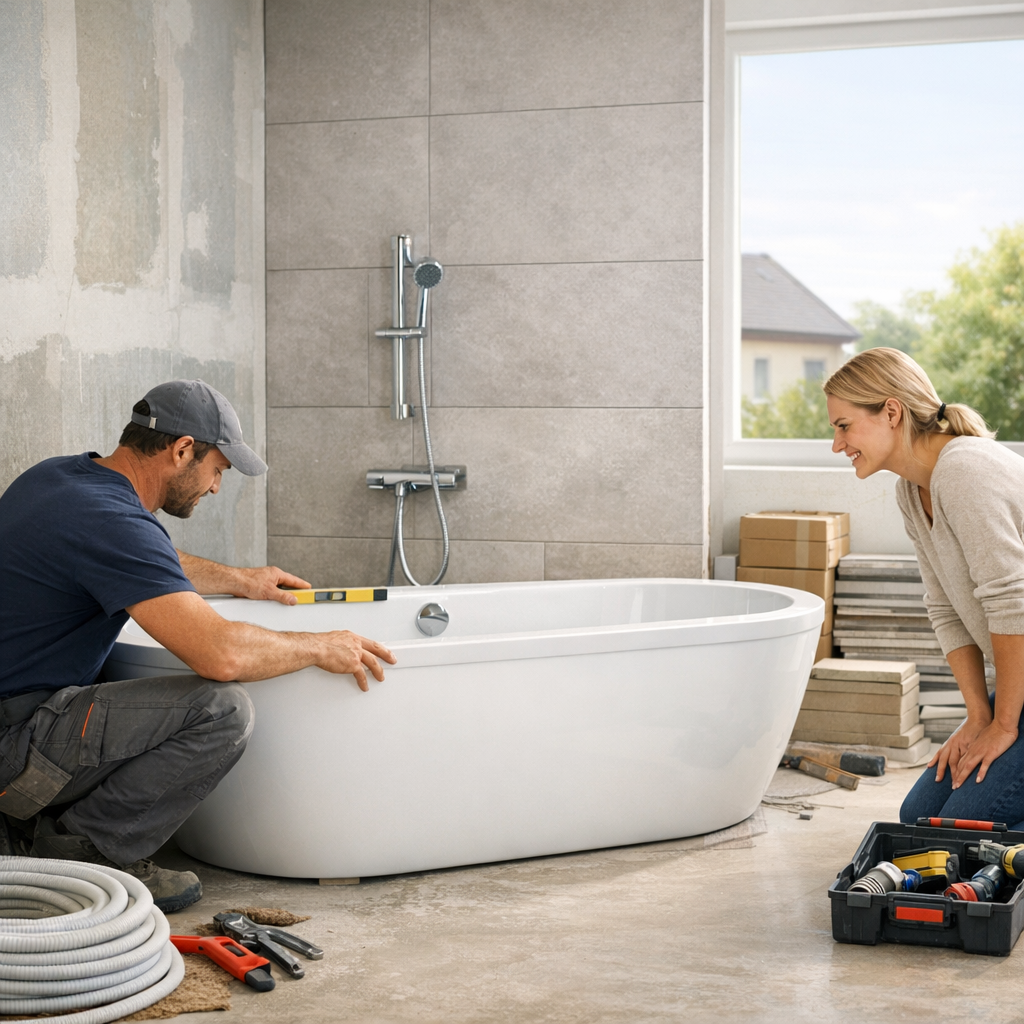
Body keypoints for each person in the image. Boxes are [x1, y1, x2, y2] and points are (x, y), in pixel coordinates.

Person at [0, 379, 395, 911]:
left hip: (16, 717)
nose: (213, 488)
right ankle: (89, 856)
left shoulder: (62, 479)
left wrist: (240, 580)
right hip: (14, 745)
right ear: (182, 449)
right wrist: (318, 646)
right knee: (220, 709)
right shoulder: (114, 520)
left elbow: (146, 559)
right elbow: (221, 655)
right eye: (217, 471)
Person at [823, 347, 1024, 830]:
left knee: (967, 826)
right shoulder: (912, 491)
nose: (837, 444)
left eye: (844, 425)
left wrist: (1004, 726)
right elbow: (944, 608)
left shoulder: (964, 470)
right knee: (918, 819)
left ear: (891, 411)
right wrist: (978, 715)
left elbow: (1013, 605)